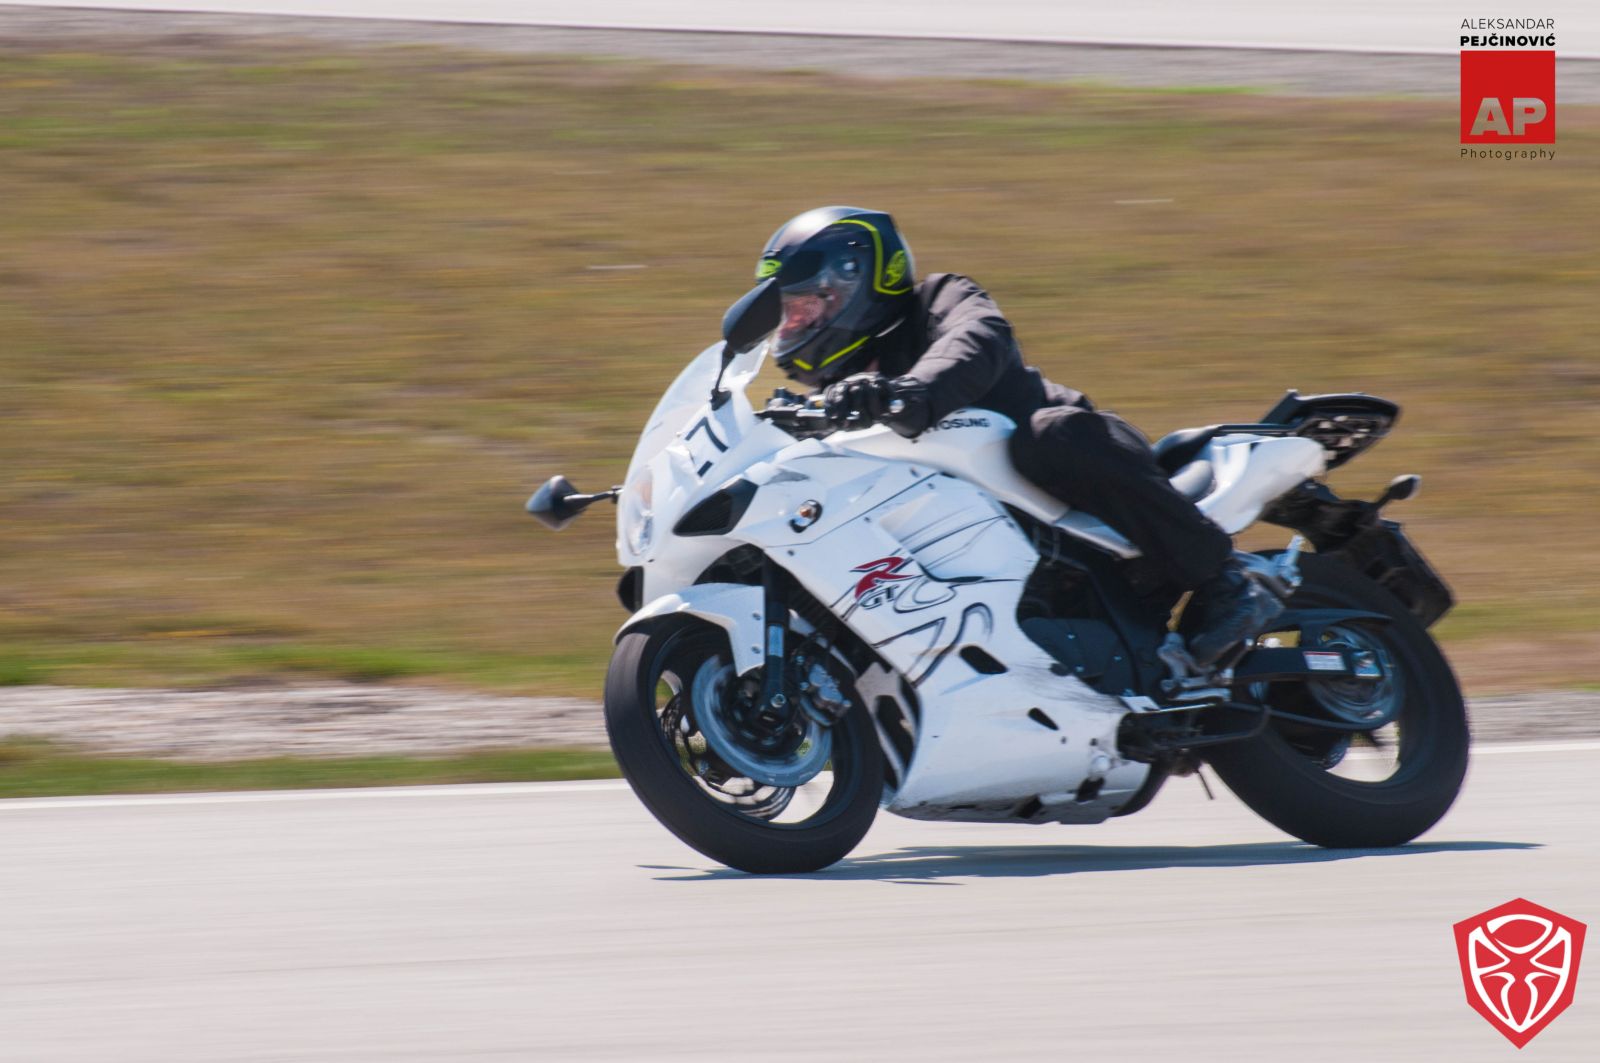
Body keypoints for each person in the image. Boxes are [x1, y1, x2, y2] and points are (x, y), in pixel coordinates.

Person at [747, 204, 1280, 667]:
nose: (792, 326)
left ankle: (1227, 581)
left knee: (1052, 435)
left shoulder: (939, 300)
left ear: (857, 282)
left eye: (805, 306)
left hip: (1080, 473)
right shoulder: (840, 399)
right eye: (787, 315)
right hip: (972, 538)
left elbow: (978, 338)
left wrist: (908, 393)